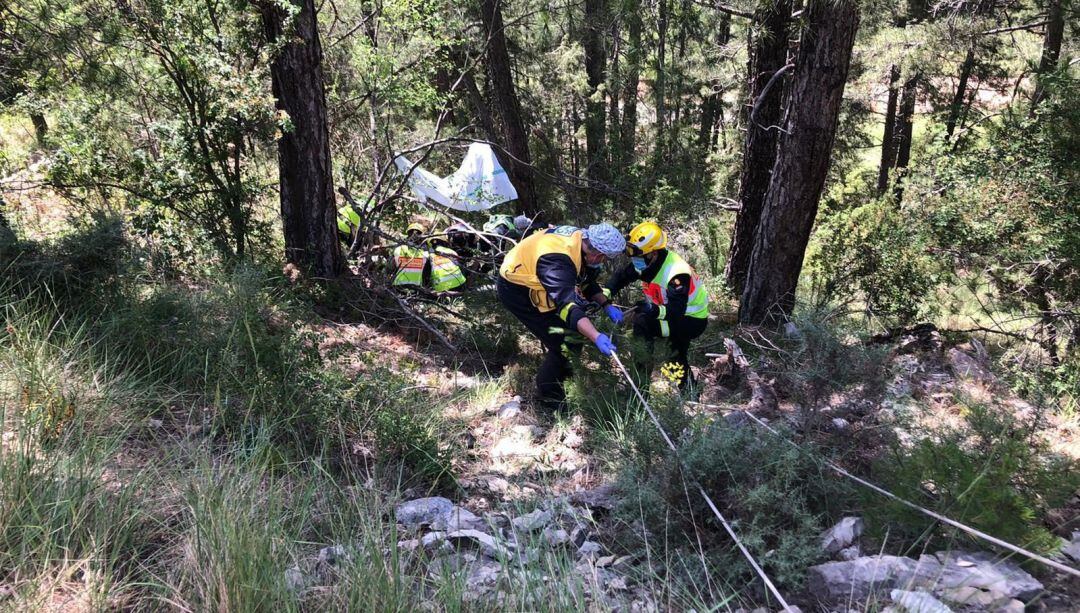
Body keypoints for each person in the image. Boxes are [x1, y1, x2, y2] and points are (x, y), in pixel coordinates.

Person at [498, 223, 627, 414]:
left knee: (572, 336)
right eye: (604, 259)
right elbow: (567, 306)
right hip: (517, 289)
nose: (603, 263)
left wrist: (606, 305)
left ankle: (563, 374)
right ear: (598, 254)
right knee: (563, 342)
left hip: (540, 282)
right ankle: (550, 396)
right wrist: (596, 336)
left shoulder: (583, 244)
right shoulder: (557, 261)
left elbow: (586, 281)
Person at [605, 221, 708, 391]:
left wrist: (651, 310)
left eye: (638, 256)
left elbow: (675, 312)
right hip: (672, 314)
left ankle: (641, 385)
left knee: (655, 334)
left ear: (653, 253)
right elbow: (622, 277)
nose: (634, 260)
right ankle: (688, 390)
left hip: (691, 320)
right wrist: (604, 294)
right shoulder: (645, 263)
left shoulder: (677, 273)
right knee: (673, 353)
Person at [391, 223, 430, 288]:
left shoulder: (398, 249)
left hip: (398, 286)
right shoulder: (424, 254)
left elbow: (391, 268)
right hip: (417, 287)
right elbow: (426, 274)